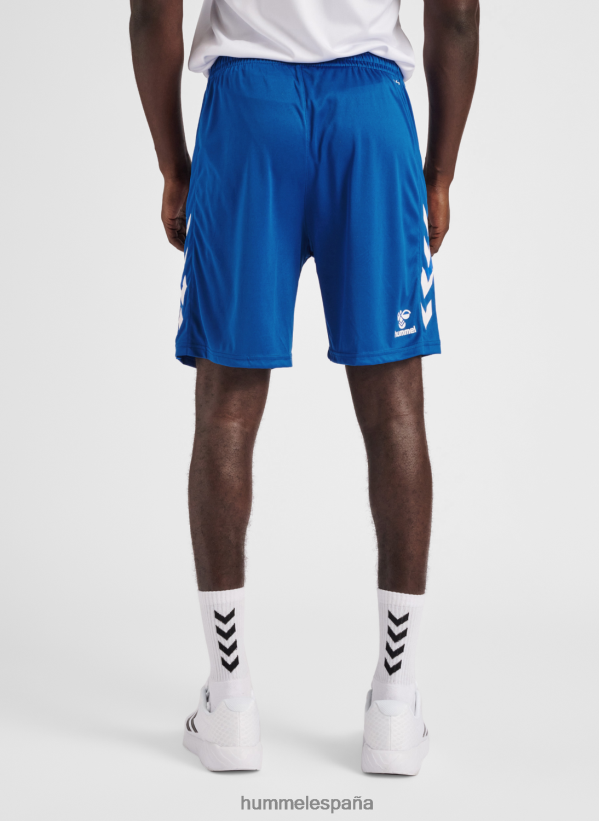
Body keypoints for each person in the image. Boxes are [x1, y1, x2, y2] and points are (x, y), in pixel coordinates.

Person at [129, 0, 479, 775]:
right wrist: (440, 173)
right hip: (370, 119)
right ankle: (395, 706)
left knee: (226, 410)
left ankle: (229, 701)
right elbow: (455, 14)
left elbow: (152, 10)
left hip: (247, 116)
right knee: (395, 411)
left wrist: (174, 166)